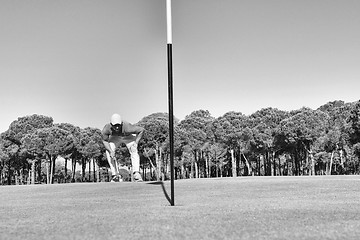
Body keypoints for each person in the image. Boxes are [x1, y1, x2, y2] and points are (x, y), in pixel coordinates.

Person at [101, 113, 145, 182]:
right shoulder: (106, 128)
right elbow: (105, 141)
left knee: (134, 150)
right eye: (115, 126)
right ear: (111, 124)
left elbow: (141, 130)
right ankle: (115, 175)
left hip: (128, 136)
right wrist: (111, 151)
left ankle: (136, 173)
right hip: (115, 137)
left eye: (119, 125)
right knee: (108, 151)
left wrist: (136, 143)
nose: (117, 127)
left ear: (121, 123)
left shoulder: (128, 127)